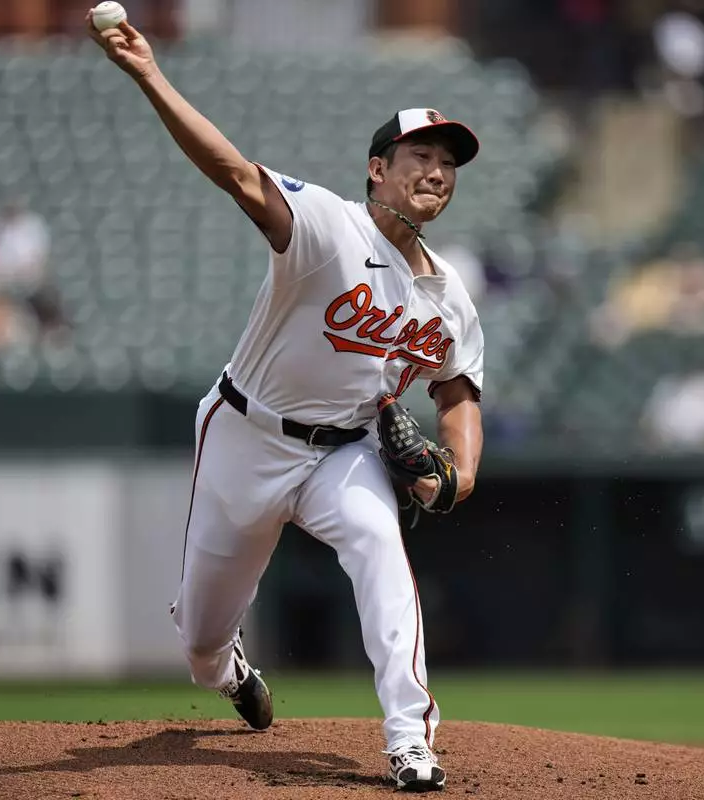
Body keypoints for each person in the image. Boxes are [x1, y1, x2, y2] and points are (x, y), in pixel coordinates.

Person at [87, 12, 485, 793]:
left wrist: (459, 476)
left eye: (449, 162)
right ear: (378, 169)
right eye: (421, 155)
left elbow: (458, 389)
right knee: (201, 642)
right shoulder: (328, 226)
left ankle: (410, 739)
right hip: (247, 434)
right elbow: (237, 175)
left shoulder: (449, 294)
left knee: (380, 549)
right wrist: (149, 74)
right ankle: (227, 669)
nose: (437, 171)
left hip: (345, 454)